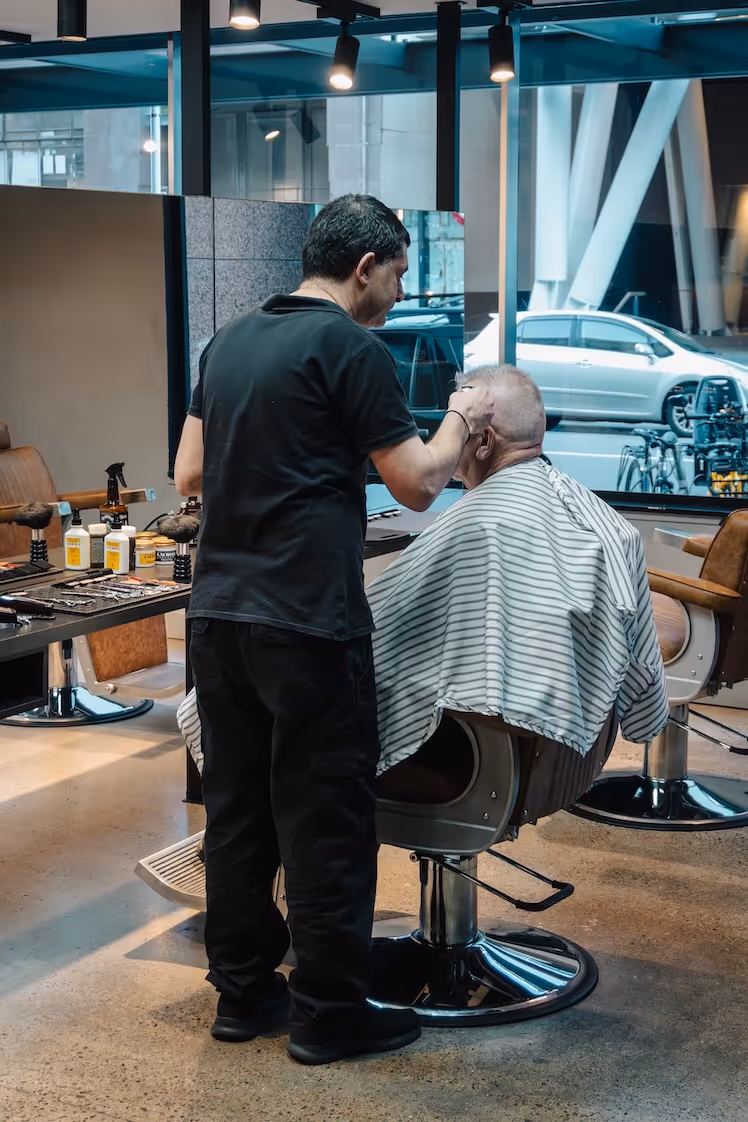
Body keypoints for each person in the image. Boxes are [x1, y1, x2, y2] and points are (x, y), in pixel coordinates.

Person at [173, 194, 495, 1067]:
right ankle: (328, 1013)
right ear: (365, 267)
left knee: (238, 815)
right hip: (307, 622)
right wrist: (461, 413)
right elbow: (420, 483)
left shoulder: (230, 339)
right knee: (325, 820)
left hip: (217, 617)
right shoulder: (352, 348)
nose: (395, 293)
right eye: (395, 274)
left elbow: (190, 472)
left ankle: (243, 997)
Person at [368, 365, 669, 777]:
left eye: (457, 430)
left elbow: (378, 639)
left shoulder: (482, 525)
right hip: (557, 760)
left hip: (466, 754)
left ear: (484, 441)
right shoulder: (596, 516)